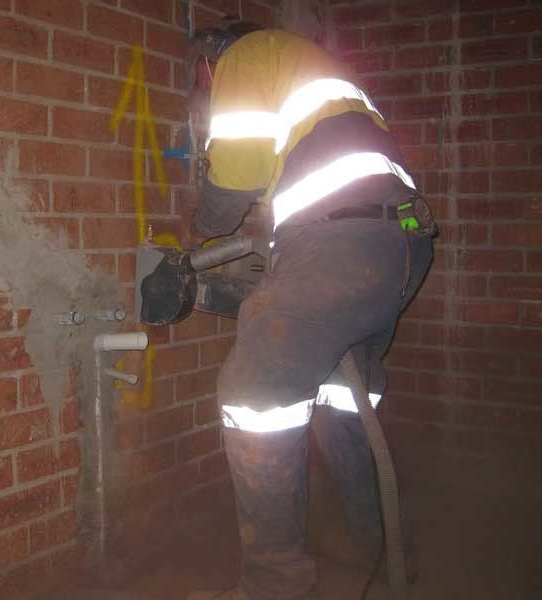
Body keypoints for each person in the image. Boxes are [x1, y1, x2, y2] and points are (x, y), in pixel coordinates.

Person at [184, 22, 436, 600]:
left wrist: (198, 227)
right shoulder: (315, 75)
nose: (201, 92)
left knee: (256, 388)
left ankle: (274, 586)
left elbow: (234, 177)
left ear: (211, 58)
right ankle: (385, 550)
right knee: (344, 401)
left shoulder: (247, 55)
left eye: (199, 78)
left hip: (343, 245)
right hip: (400, 243)